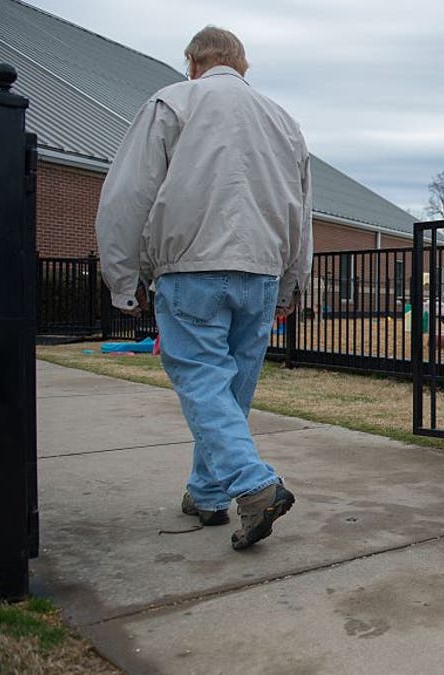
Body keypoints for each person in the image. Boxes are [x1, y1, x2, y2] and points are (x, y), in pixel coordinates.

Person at [95, 26, 311, 550]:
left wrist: (122, 280)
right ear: (243, 65)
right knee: (230, 389)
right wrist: (291, 284)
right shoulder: (284, 121)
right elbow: (302, 213)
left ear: (192, 61)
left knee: (202, 380)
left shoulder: (172, 102)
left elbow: (129, 195)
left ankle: (254, 485)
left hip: (191, 263)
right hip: (261, 270)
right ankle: (209, 492)